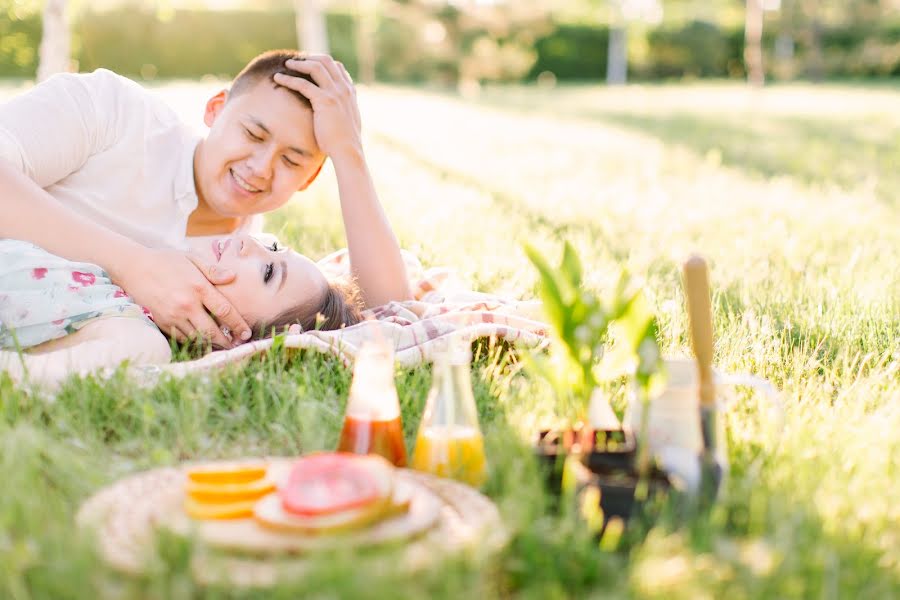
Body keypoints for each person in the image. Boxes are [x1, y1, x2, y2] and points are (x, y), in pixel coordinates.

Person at [0, 49, 411, 351]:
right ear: (215, 109)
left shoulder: (246, 273)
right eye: (252, 135)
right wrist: (132, 263)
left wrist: (349, 154)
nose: (262, 168)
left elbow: (385, 310)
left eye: (292, 159)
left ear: (310, 177)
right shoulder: (112, 112)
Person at [0, 234, 362, 386]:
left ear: (240, 339)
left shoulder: (138, 341)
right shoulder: (136, 264)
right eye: (274, 246)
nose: (249, 242)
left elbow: (19, 377)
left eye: (268, 271)